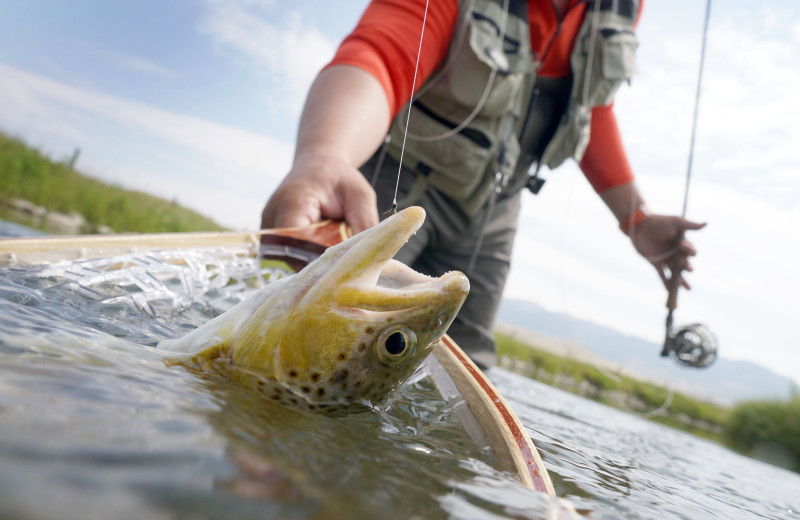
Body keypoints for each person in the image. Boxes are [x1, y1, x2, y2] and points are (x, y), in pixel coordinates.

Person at [261, 0, 705, 369]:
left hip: (495, 210)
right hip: (389, 187)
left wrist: (636, 218)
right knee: (321, 334)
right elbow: (383, 51)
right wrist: (326, 155)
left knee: (467, 368)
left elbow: (592, 111)